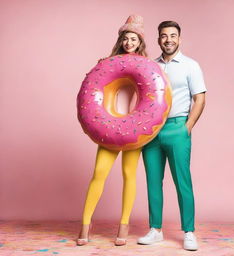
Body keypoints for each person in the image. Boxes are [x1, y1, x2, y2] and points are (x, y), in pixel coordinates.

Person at [77, 15, 147, 246]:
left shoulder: (147, 67)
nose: (129, 42)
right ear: (121, 40)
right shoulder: (106, 63)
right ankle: (85, 225)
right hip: (109, 128)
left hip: (136, 130)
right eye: (126, 38)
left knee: (129, 175)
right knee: (99, 173)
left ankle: (123, 225)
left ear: (139, 42)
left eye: (133, 39)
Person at [137, 21, 206, 251]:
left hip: (178, 127)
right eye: (164, 36)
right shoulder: (149, 65)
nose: (168, 39)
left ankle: (189, 232)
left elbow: (200, 98)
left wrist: (188, 126)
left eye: (173, 35)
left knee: (182, 182)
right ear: (158, 39)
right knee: (153, 182)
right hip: (152, 131)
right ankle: (155, 229)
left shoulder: (190, 66)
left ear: (179, 39)